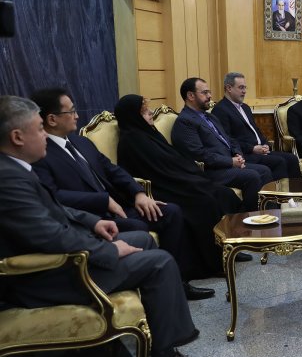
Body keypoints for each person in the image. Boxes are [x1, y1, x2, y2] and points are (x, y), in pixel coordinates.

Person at [0, 95, 220, 357]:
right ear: (17, 137)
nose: (43, 135)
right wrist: (108, 249)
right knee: (160, 263)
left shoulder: (16, 169)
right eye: (39, 129)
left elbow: (56, 209)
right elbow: (49, 234)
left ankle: (161, 330)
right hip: (50, 275)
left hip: (67, 253)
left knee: (143, 238)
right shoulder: (8, 179)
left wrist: (93, 221)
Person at [29, 88, 214, 301]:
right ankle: (146, 287)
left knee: (170, 212)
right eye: (71, 111)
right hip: (91, 216)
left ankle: (179, 282)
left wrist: (138, 194)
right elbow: (53, 197)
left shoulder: (81, 142)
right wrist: (103, 200)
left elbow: (112, 170)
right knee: (138, 228)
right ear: (52, 119)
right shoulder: (40, 153)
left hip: (121, 205)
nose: (77, 116)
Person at [114, 94, 243, 278]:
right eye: (144, 111)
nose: (150, 113)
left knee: (223, 193)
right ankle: (212, 262)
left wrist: (190, 175)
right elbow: (155, 172)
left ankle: (228, 247)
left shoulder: (149, 133)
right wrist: (188, 179)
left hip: (177, 182)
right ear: (133, 116)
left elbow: (173, 159)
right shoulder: (131, 141)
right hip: (161, 188)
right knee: (205, 201)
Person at [171, 77, 272, 213]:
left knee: (265, 170)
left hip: (228, 164)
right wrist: (230, 161)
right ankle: (247, 219)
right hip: (211, 170)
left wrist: (238, 154)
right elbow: (199, 154)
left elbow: (230, 139)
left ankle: (269, 214)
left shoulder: (210, 117)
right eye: (205, 93)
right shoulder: (185, 122)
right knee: (252, 176)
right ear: (190, 96)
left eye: (209, 92)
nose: (209, 96)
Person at [212, 72, 301, 180]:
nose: (244, 91)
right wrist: (252, 149)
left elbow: (256, 131)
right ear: (229, 88)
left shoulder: (245, 107)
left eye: (245, 87)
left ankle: (297, 189)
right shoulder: (220, 110)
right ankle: (279, 191)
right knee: (279, 161)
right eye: (241, 88)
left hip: (259, 151)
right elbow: (227, 140)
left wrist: (265, 144)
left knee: (292, 158)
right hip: (244, 154)